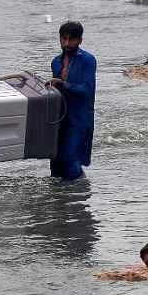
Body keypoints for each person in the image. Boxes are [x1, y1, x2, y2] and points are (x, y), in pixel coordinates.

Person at [47, 21, 96, 180]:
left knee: (71, 158)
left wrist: (63, 84)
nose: (66, 43)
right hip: (60, 119)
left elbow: (86, 90)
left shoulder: (88, 60)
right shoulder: (56, 62)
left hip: (80, 118)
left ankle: (79, 197)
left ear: (80, 40)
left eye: (71, 40)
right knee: (55, 162)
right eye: (63, 39)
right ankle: (58, 202)